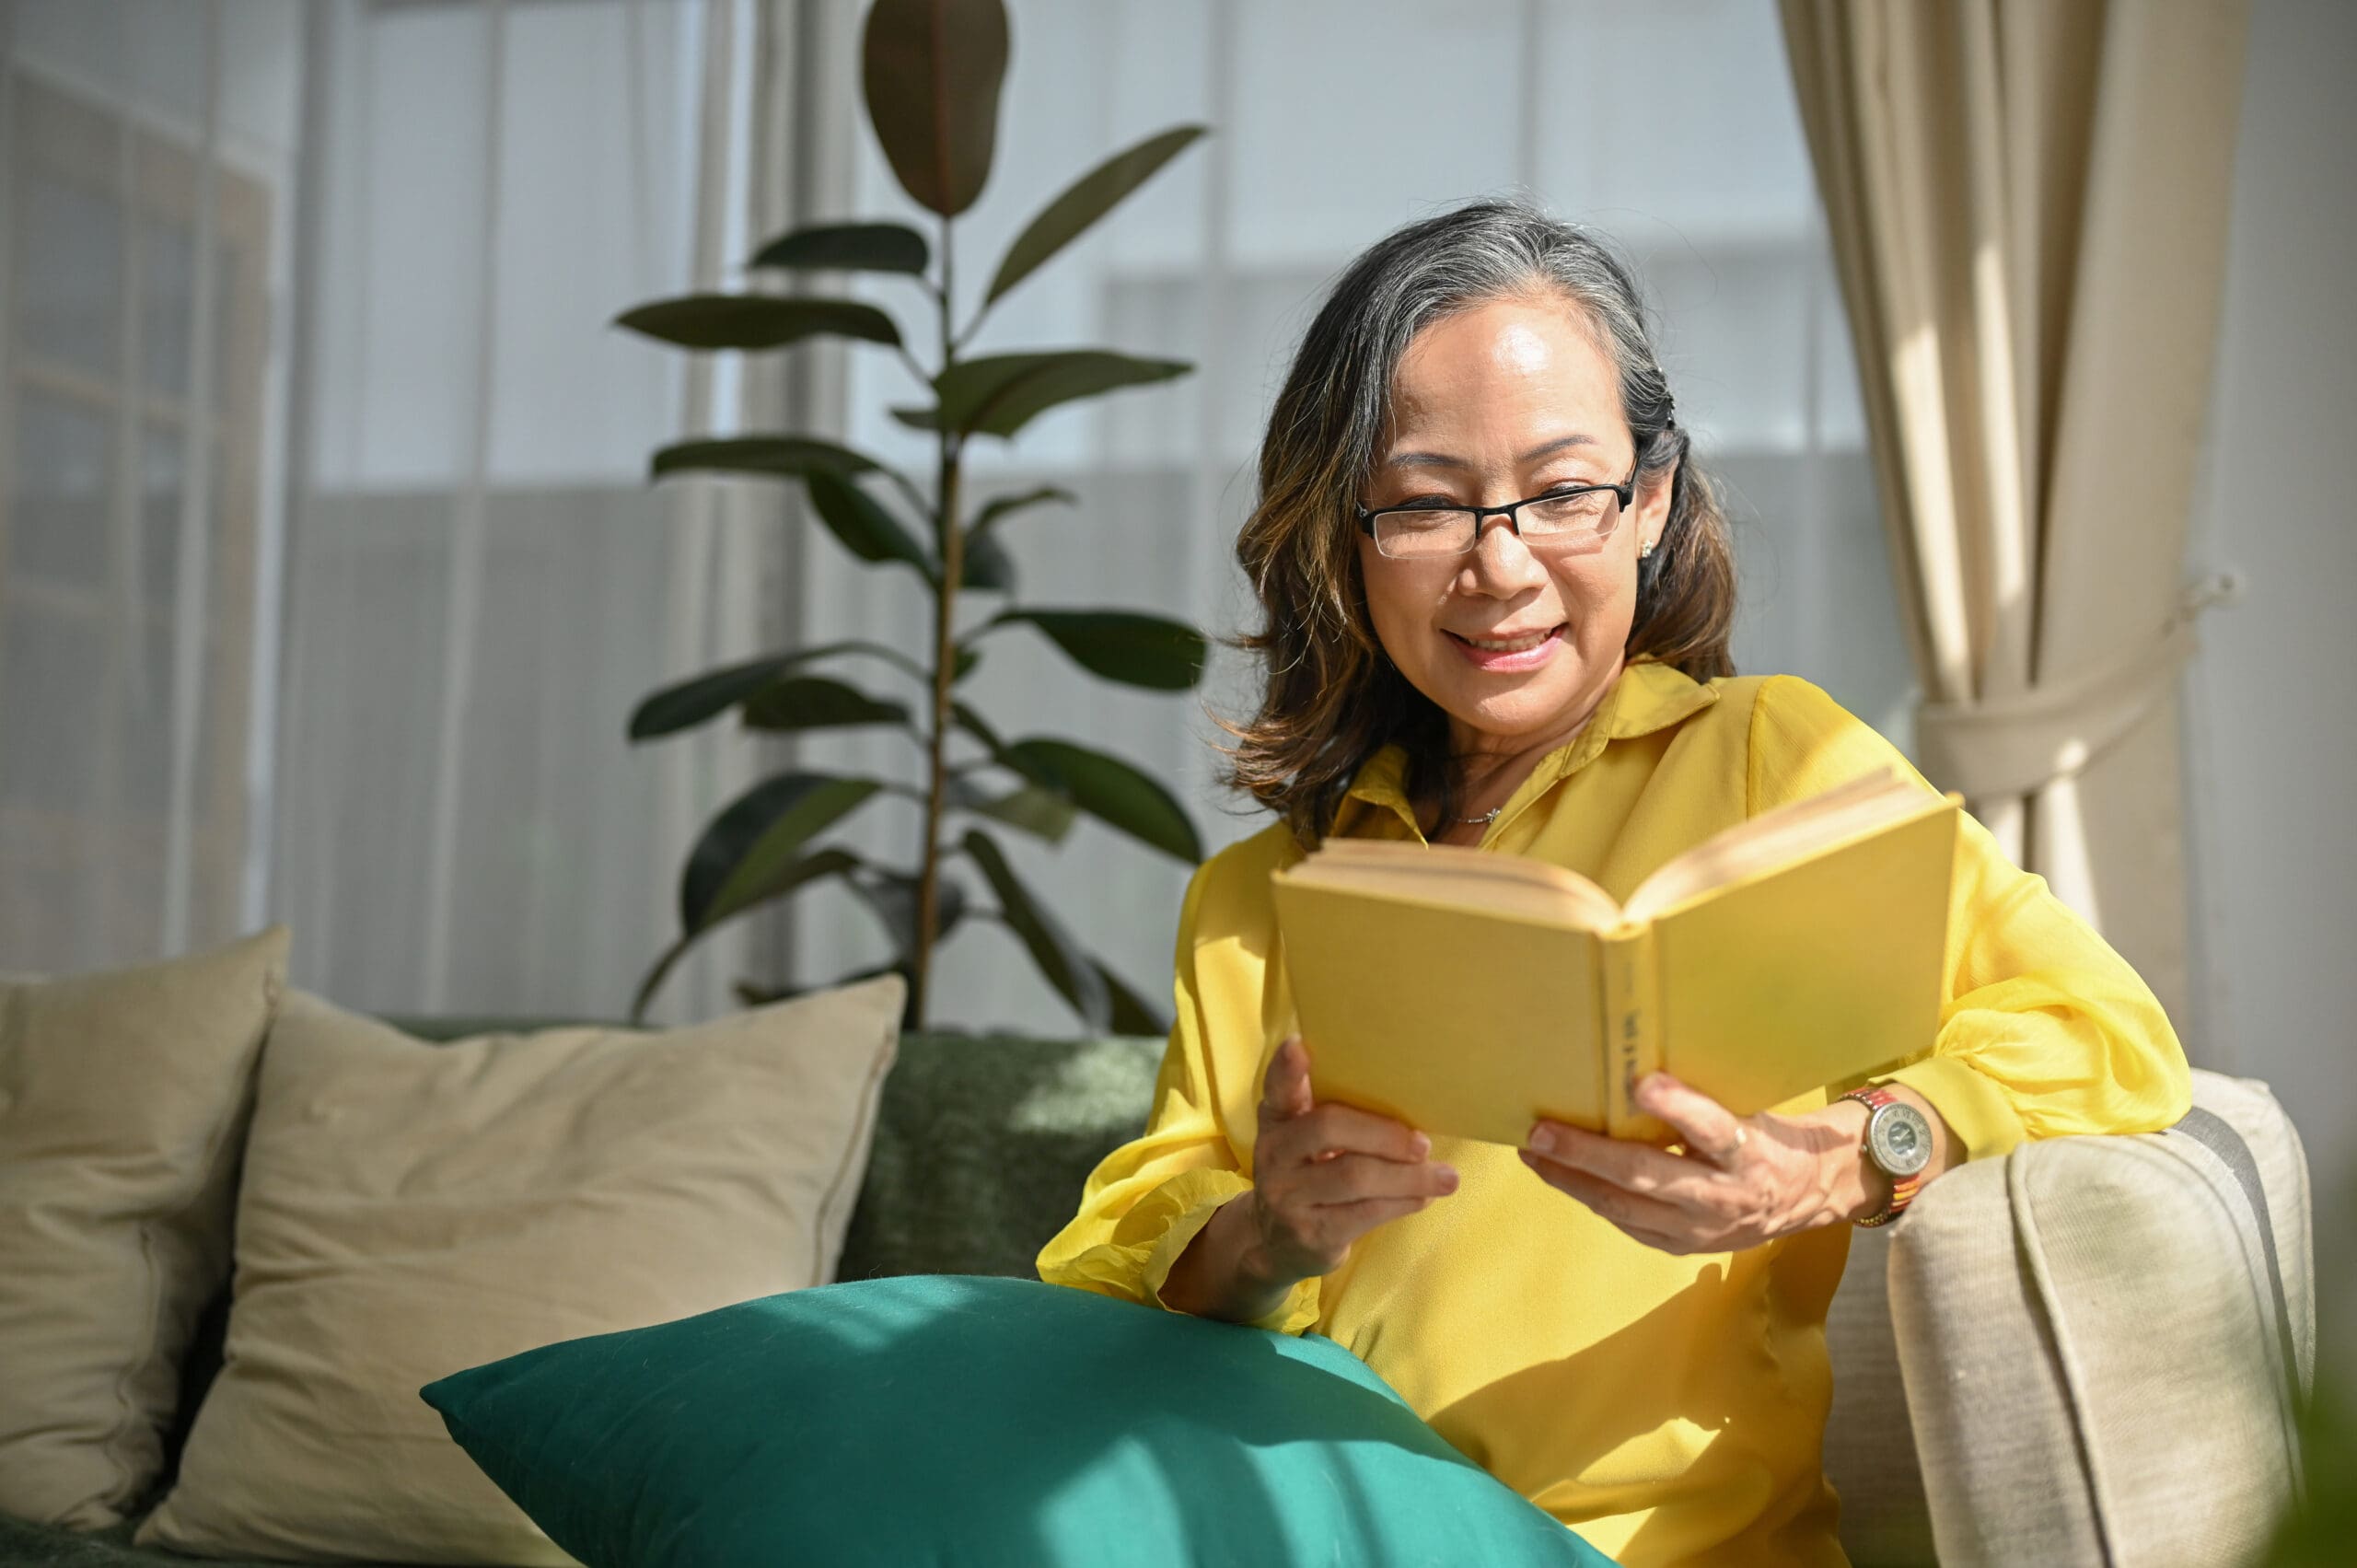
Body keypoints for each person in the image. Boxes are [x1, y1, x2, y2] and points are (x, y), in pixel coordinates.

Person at [1035, 200, 2189, 1567]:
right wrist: (1263, 1235)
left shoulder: (1777, 757)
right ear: (1344, 534)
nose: (1500, 566)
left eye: (1563, 491)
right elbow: (1106, 1262)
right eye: (1424, 502)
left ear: (1648, 502)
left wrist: (1835, 1167)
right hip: (1314, 1531)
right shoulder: (1261, 892)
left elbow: (2107, 1033)